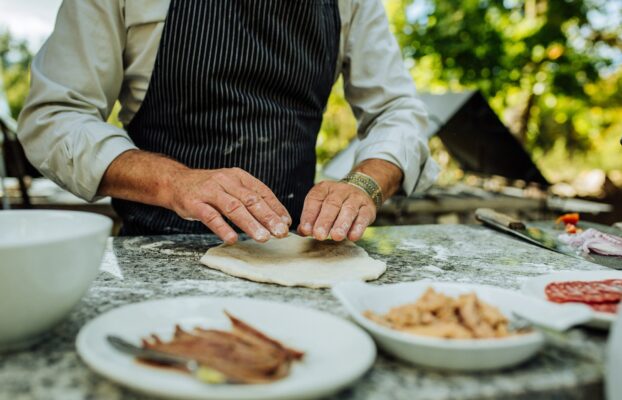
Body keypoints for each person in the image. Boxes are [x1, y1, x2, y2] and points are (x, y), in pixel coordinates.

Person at [18, 0, 438, 243]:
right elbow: (55, 117)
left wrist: (365, 182)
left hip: (297, 251)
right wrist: (174, 181)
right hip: (157, 247)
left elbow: (398, 112)